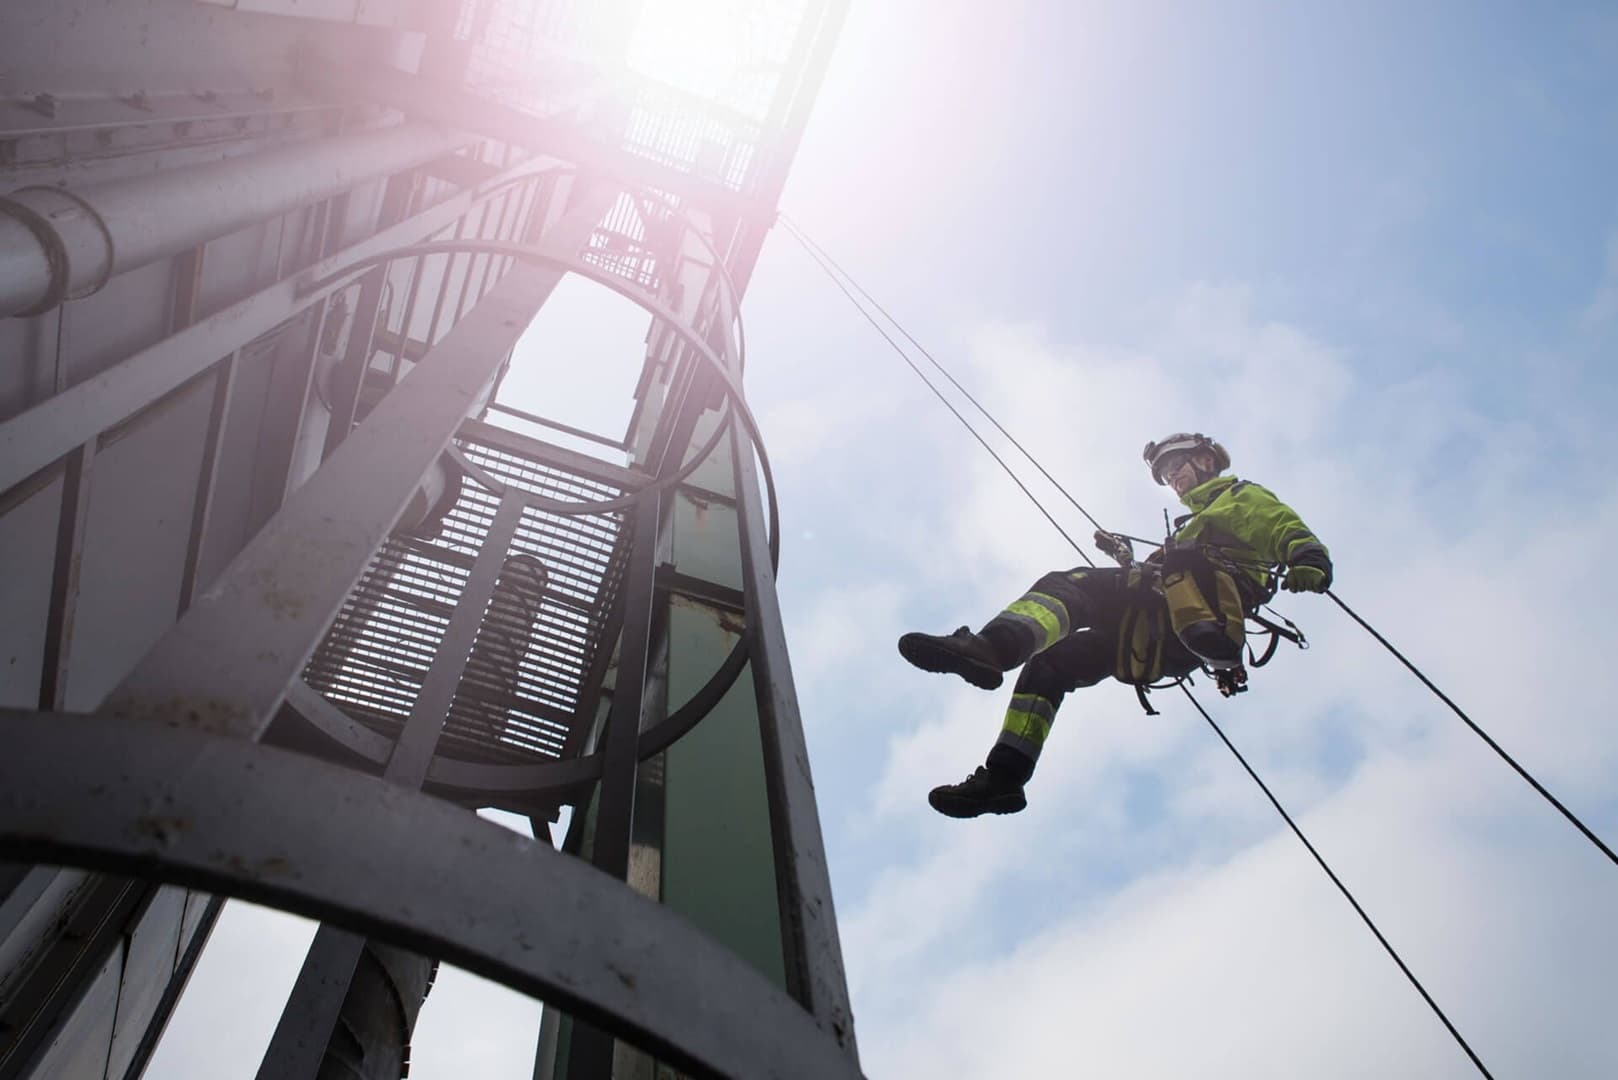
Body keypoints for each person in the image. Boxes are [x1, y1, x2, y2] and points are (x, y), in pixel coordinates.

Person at [898, 432, 1333, 818]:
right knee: (1050, 666)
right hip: (1167, 631)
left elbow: (1278, 525)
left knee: (1070, 587)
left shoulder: (1235, 498)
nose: (1174, 480)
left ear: (1204, 461)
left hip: (1184, 615)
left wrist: (1307, 557)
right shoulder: (1193, 526)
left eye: (1176, 467)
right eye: (1166, 476)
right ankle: (1004, 778)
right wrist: (1125, 557)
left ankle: (992, 648)